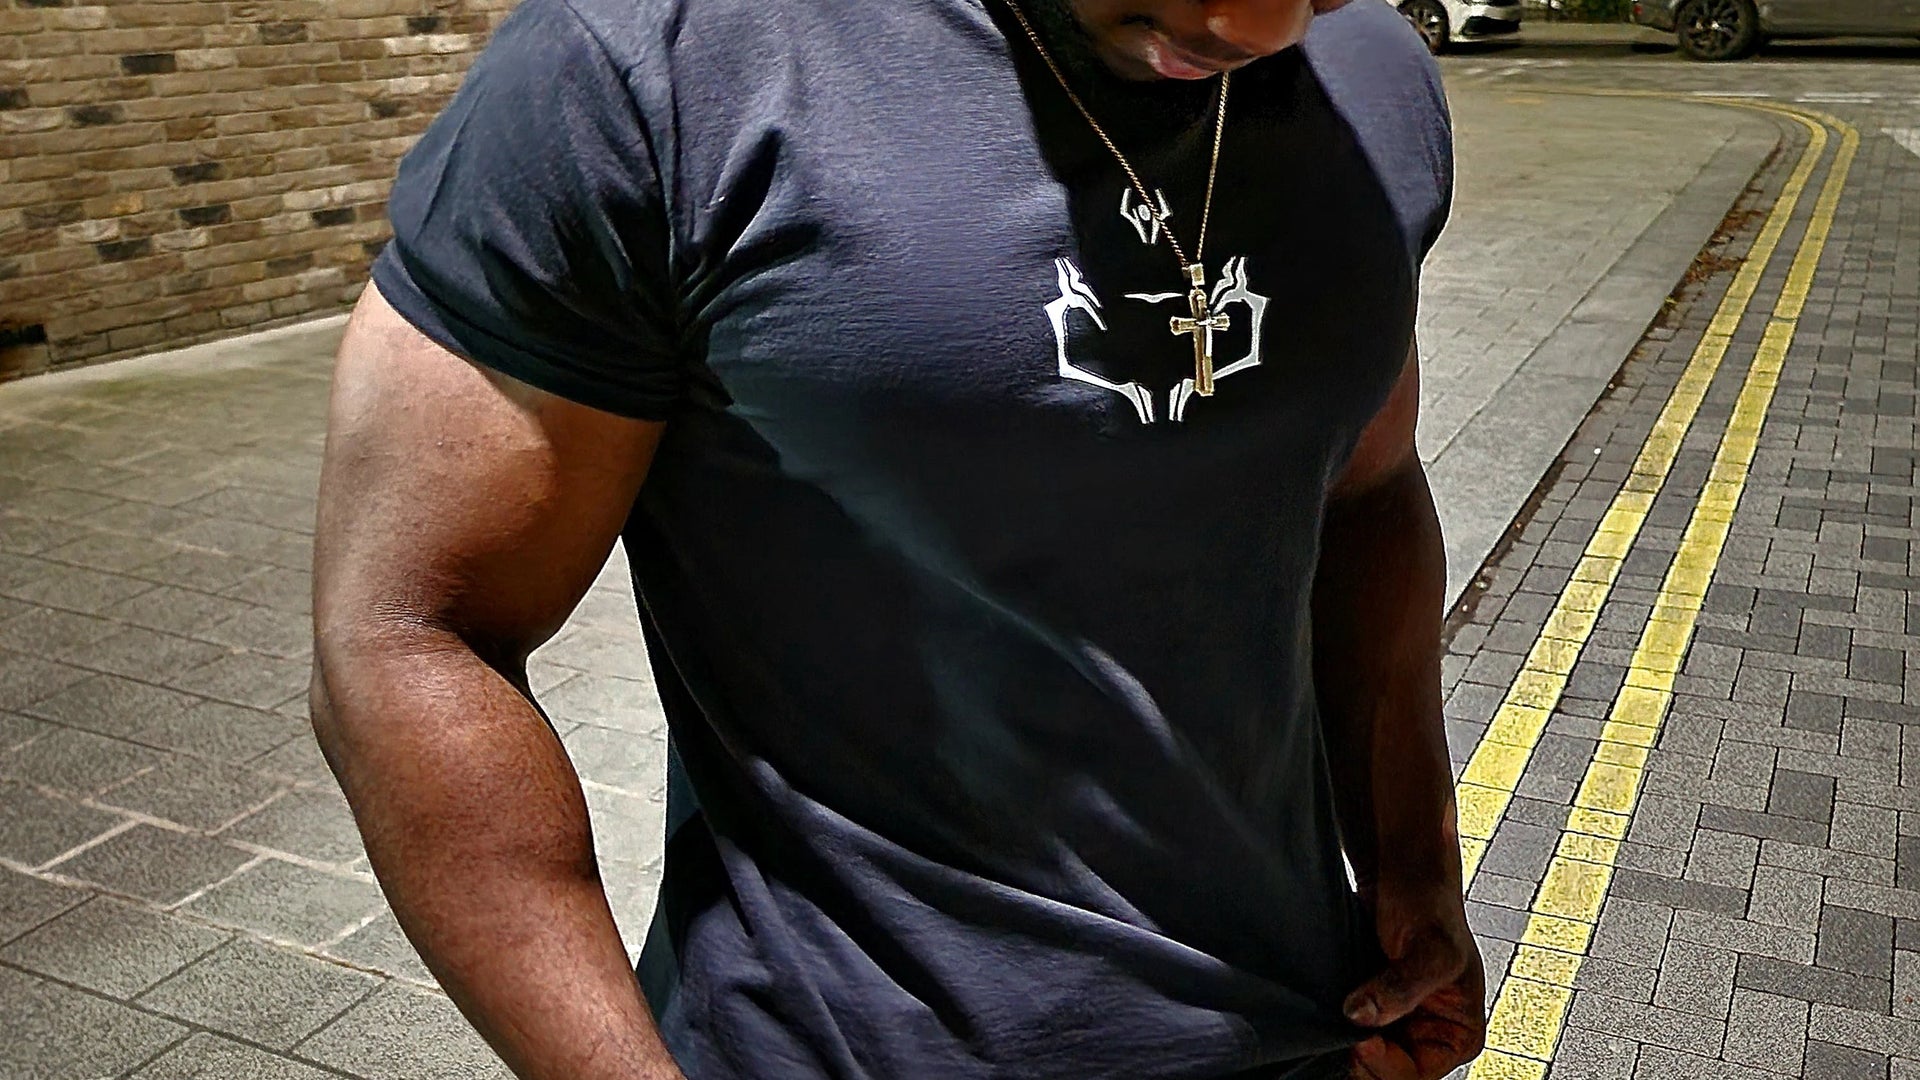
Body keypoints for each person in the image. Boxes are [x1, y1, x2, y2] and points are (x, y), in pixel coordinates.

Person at [309, 0, 1484, 1076]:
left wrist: (1413, 863)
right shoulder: (659, 63)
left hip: (1309, 1033)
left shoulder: (1370, 78)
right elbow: (413, 631)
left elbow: (1364, 488)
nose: (1258, 25)